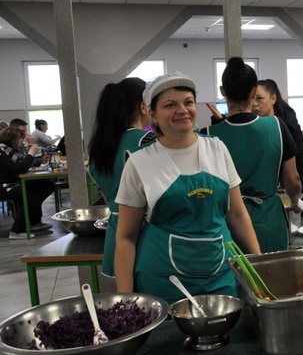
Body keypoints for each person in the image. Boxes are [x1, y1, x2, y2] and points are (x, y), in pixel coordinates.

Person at [114, 73, 261, 304]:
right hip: (163, 279)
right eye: (170, 105)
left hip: (220, 272)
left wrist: (257, 264)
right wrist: (125, 300)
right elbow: (125, 237)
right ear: (151, 112)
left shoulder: (217, 149)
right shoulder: (139, 162)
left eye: (188, 102)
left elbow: (237, 214)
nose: (182, 110)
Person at [203, 58, 302, 253]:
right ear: (254, 92)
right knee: (269, 277)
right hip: (268, 219)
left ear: (223, 91)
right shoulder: (276, 126)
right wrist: (295, 201)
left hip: (225, 220)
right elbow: (293, 180)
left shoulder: (207, 135)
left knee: (231, 278)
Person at [88, 77, 154, 277]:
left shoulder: (99, 150)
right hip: (144, 236)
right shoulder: (146, 141)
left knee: (127, 304)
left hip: (115, 239)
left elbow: (109, 199)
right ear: (144, 107)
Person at [254, 78, 303, 217]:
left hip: (291, 191)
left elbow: (301, 166)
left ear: (273, 99)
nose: (254, 104)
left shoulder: (288, 125)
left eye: (259, 99)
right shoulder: (253, 126)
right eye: (251, 99)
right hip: (262, 198)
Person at [0, 126, 56, 239]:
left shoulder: (10, 149)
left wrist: (37, 160)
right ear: (11, 138)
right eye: (20, 138)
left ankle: (34, 222)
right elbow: (19, 168)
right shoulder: (2, 150)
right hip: (4, 186)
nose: (22, 140)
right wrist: (31, 153)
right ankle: (16, 231)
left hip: (13, 182)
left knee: (46, 186)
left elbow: (22, 163)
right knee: (30, 197)